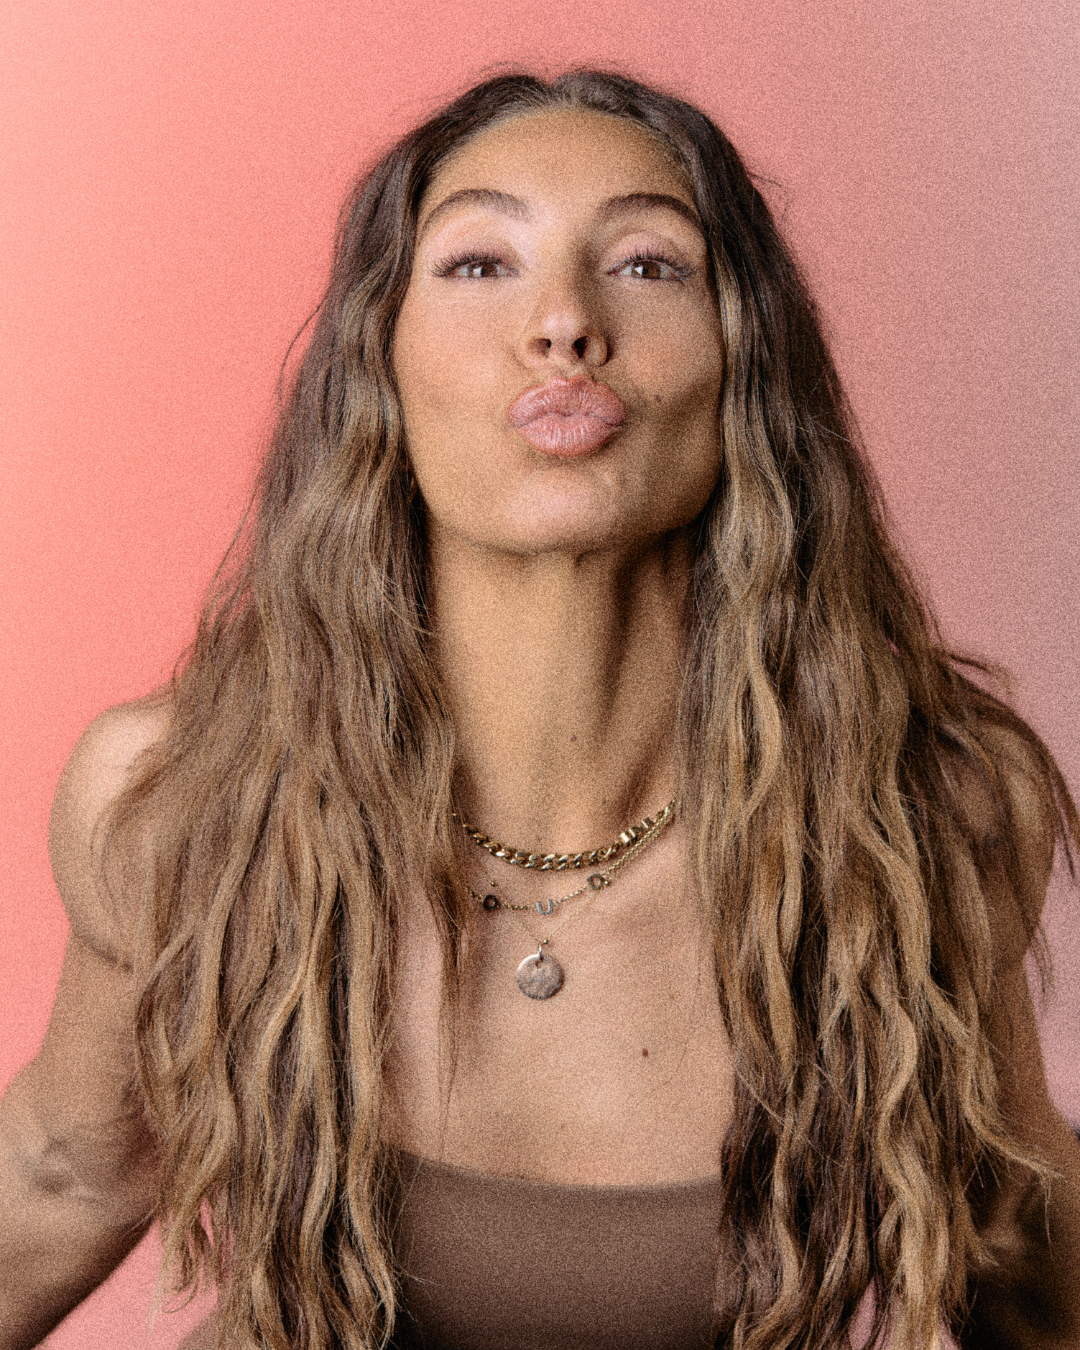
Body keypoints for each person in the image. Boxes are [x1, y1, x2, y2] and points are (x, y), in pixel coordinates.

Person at [1, 68, 1077, 1350]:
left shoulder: (931, 810)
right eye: (478, 264)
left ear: (747, 362)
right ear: (379, 368)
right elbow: (62, 1177)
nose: (564, 322)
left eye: (647, 265)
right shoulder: (177, 796)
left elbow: (1020, 1242)